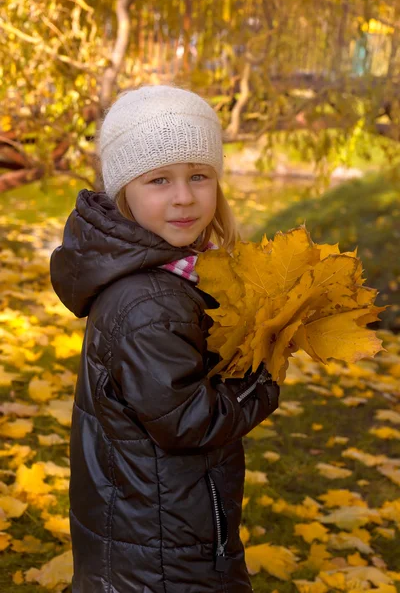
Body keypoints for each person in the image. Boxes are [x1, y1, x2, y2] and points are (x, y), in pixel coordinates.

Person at [50, 84, 280, 593]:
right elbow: (188, 421)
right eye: (159, 180)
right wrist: (265, 370)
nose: (183, 196)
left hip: (153, 526)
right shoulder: (150, 303)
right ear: (124, 192)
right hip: (161, 553)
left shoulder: (176, 273)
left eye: (199, 176)